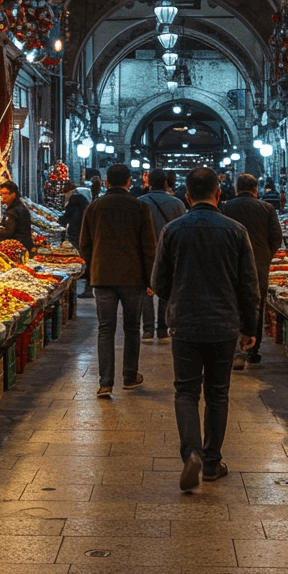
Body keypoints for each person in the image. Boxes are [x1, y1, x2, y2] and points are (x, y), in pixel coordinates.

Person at [151, 167, 259, 490]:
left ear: (186, 197)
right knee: (217, 392)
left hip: (184, 324)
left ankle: (191, 454)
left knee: (185, 391)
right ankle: (212, 463)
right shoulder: (237, 231)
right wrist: (249, 326)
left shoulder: (172, 230)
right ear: (218, 194)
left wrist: (177, 299)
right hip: (225, 324)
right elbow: (249, 285)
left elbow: (158, 283)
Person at [79, 164, 156, 397]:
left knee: (105, 329)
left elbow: (84, 244)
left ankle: (105, 382)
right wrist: (150, 278)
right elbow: (149, 247)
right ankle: (130, 376)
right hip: (133, 278)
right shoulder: (140, 207)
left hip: (102, 277)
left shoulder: (94, 207)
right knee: (132, 328)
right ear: (129, 182)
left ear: (107, 182)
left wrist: (95, 265)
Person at [222, 173, 283, 368]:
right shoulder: (267, 208)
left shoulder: (225, 207)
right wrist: (265, 255)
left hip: (229, 264)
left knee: (231, 304)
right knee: (255, 304)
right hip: (258, 264)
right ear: (256, 190)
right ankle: (252, 350)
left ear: (237, 188)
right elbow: (276, 238)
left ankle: (233, 349)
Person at [136, 169, 186, 340]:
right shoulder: (177, 204)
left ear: (149, 182)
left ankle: (148, 329)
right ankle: (163, 329)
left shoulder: (139, 203)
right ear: (166, 183)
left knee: (145, 290)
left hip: (145, 252)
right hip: (170, 252)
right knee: (167, 290)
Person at [0, 180, 33, 250]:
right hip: (24, 245)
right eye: (1, 194)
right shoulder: (18, 207)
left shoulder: (13, 211)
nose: (2, 197)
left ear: (13, 194)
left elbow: (8, 232)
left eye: (5, 193)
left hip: (19, 247)